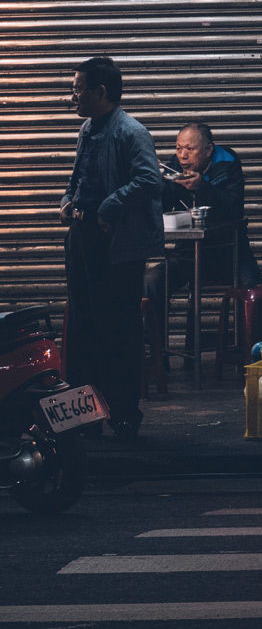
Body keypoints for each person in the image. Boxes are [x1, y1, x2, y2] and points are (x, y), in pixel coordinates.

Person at [59, 56, 160, 439]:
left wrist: (108, 206)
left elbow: (150, 180)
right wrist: (68, 199)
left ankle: (122, 414)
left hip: (116, 247)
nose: (73, 96)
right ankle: (86, 416)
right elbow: (77, 175)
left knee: (117, 330)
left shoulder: (131, 132)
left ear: (101, 92)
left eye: (78, 88)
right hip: (83, 240)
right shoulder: (88, 128)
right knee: (83, 327)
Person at [161, 122, 261, 289]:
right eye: (178, 149)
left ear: (208, 150)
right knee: (152, 280)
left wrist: (202, 187)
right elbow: (162, 207)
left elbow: (233, 208)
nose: (183, 156)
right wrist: (158, 180)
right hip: (187, 254)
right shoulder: (174, 166)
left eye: (189, 149)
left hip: (229, 253)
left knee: (254, 290)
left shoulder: (227, 163)